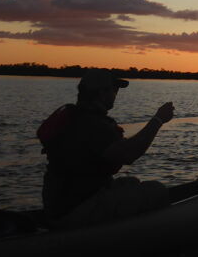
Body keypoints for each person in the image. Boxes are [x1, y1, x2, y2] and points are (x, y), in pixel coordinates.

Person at [37, 68, 174, 228]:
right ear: (102, 93)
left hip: (63, 206)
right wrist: (158, 120)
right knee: (157, 191)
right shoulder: (92, 124)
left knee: (131, 183)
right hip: (75, 210)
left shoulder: (76, 116)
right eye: (114, 89)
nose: (116, 94)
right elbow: (129, 154)